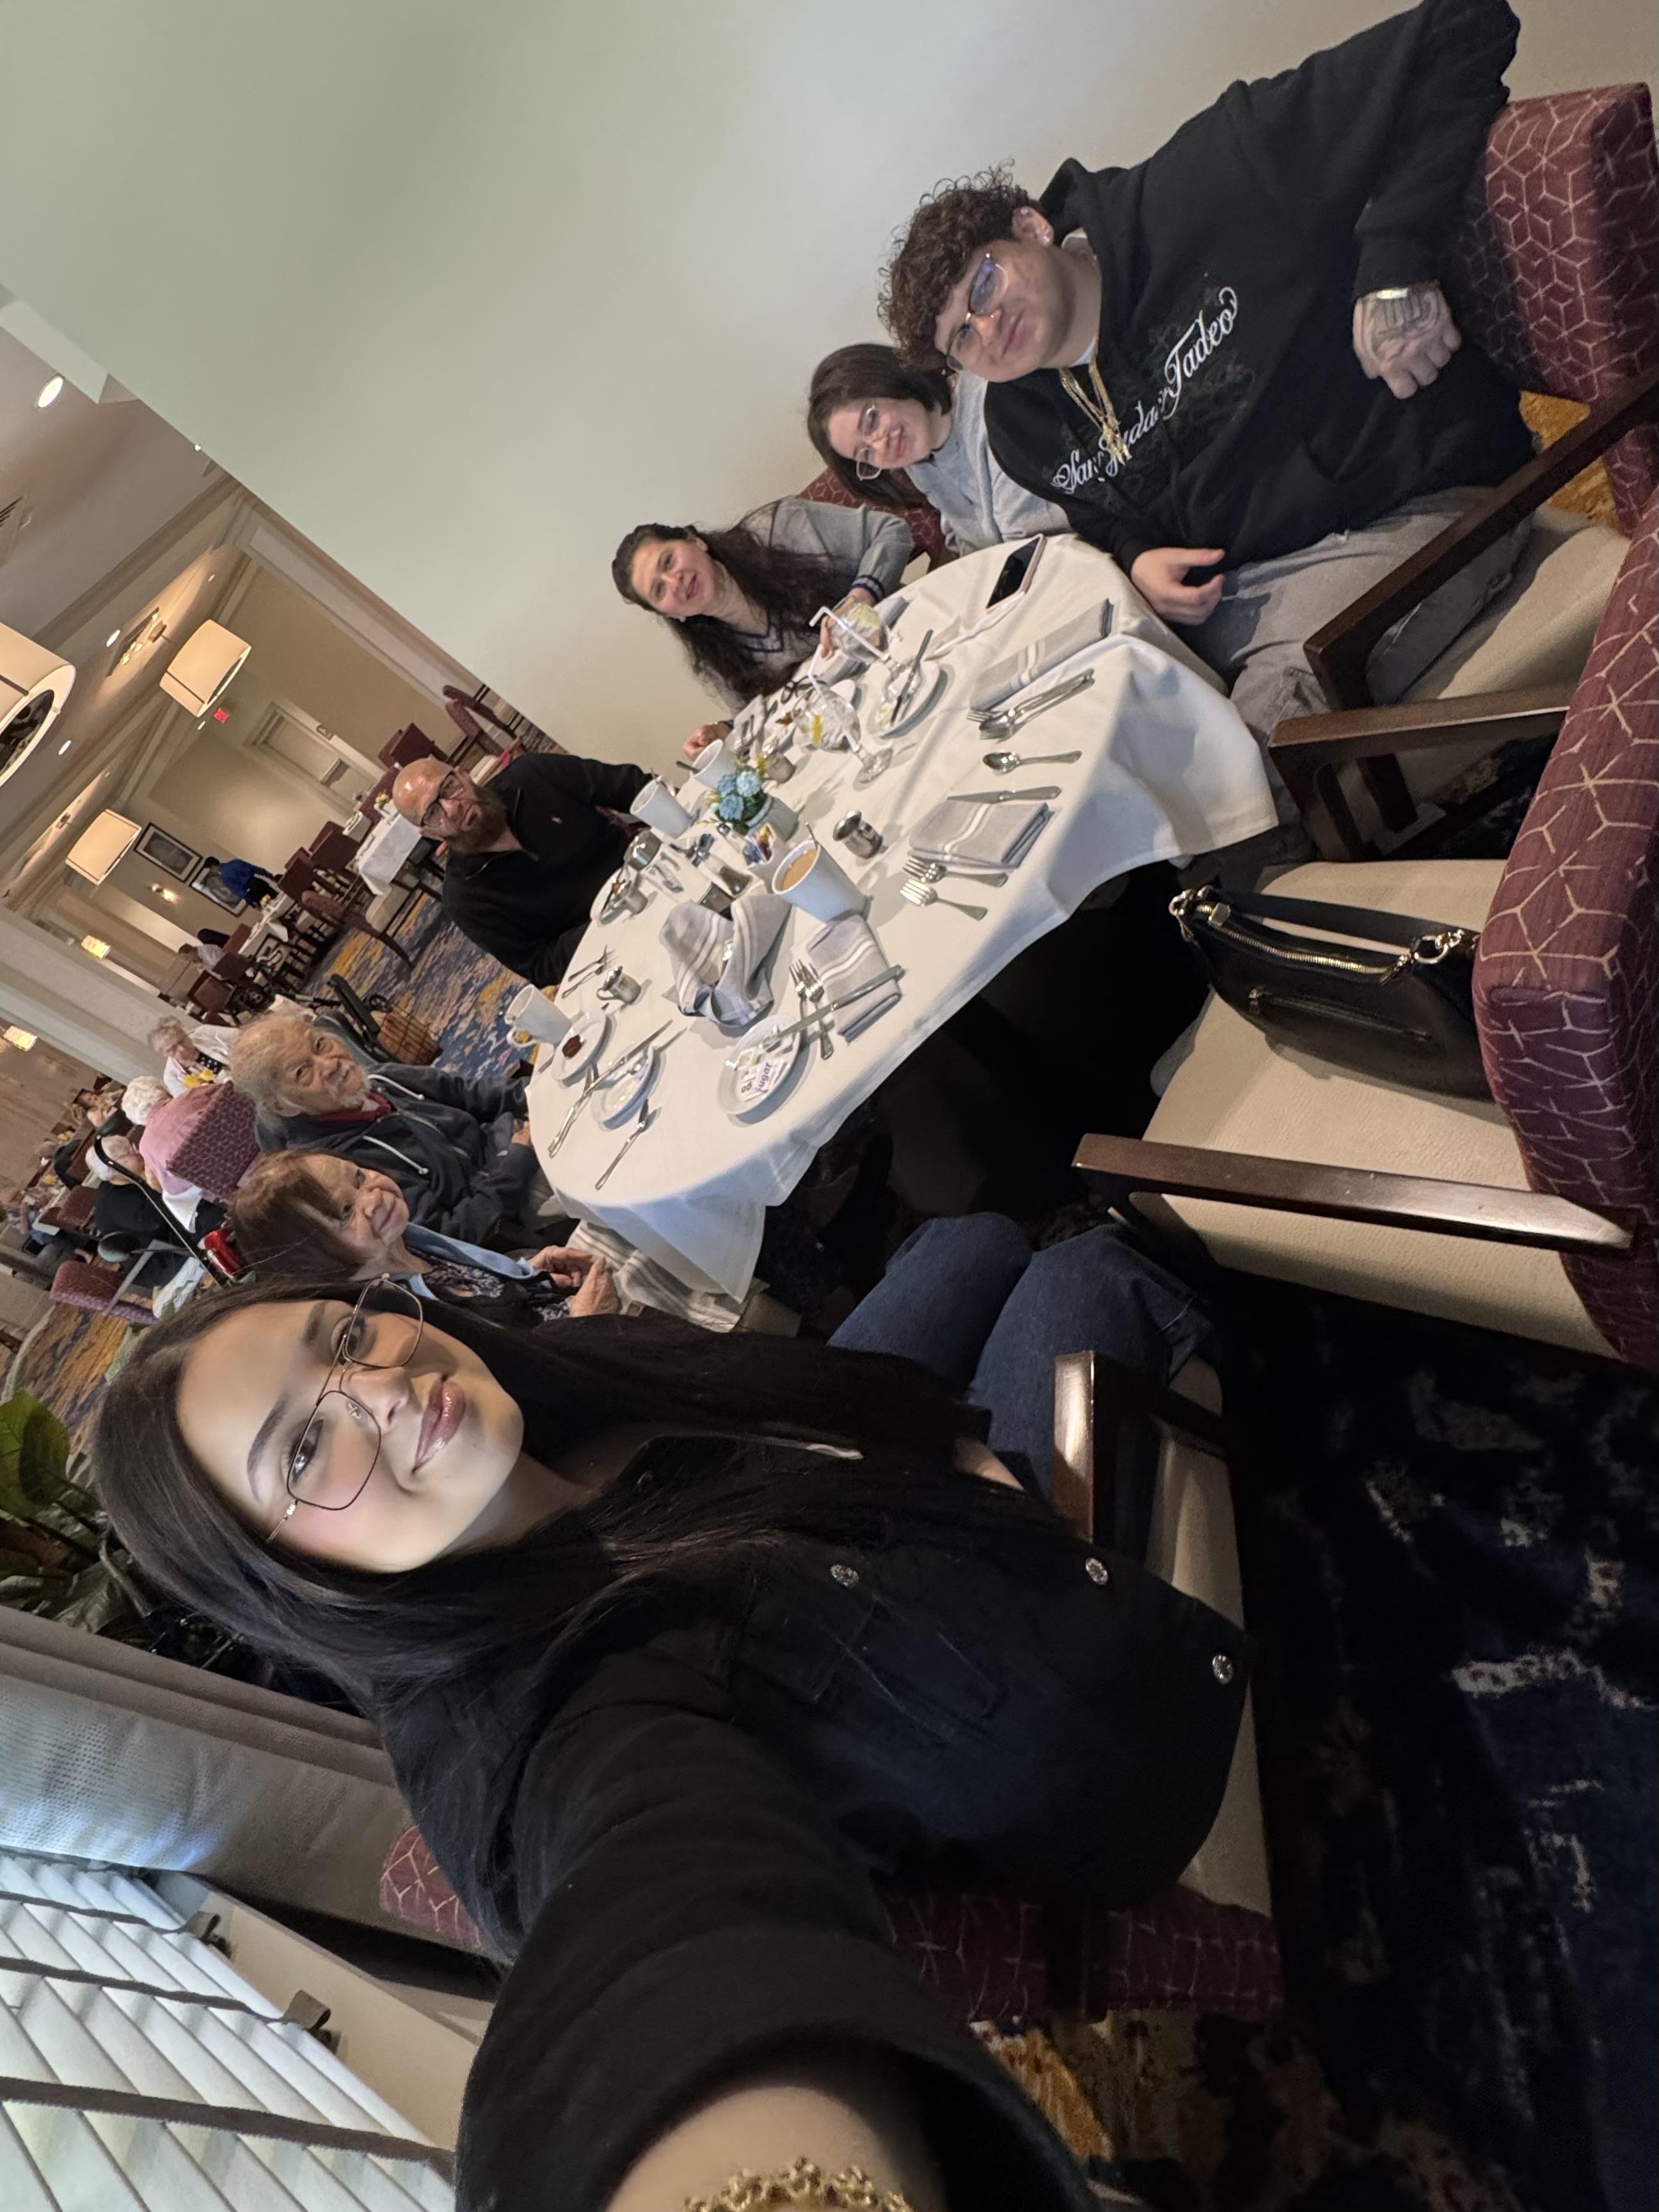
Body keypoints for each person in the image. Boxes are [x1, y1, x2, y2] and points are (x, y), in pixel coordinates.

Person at [92, 1214, 1234, 2211]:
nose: (382, 1388)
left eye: (344, 1337)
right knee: (1088, 1264)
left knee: (964, 1242)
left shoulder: (538, 1400)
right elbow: (662, 1914)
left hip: (848, 1485)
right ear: (285, 1576)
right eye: (303, 1445)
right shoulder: (571, 1719)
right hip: (1077, 1680)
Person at [878, 0, 1534, 826]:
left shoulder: (1216, 175)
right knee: (1080, 757)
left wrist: (1395, 260)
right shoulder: (1019, 424)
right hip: (1243, 590)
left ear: (1032, 227)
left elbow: (1464, 28)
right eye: (957, 341)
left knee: (1240, 781)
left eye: (982, 285)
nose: (984, 330)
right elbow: (1100, 510)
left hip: (1407, 500)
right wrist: (1137, 550)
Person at [612, 494, 913, 757]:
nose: (674, 582)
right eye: (659, 591)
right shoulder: (714, 652)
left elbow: (891, 532)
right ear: (671, 615)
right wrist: (723, 731)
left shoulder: (779, 527)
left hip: (903, 657)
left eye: (668, 562)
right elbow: (761, 710)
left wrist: (859, 598)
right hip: (860, 722)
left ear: (695, 541)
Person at [228, 1010, 549, 1249]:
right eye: (302, 1072)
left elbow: (474, 1093)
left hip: (515, 1142)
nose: (330, 1064)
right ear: (284, 1107)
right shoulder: (349, 1170)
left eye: (320, 1044)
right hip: (511, 1207)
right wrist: (517, 1161)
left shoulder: (381, 1080)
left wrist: (544, 1091)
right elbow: (453, 1236)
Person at [228, 1149, 621, 1321]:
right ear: (311, 1258)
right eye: (346, 1211)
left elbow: (478, 1292)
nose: (373, 1198)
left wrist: (522, 1273)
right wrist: (587, 1324)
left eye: (360, 1177)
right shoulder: (401, 1320)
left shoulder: (407, 1242)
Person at [392, 752, 648, 988]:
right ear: (430, 833)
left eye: (449, 787)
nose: (452, 807)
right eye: (433, 812)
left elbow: (633, 787)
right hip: (606, 954)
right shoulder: (464, 898)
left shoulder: (532, 775)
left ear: (464, 774)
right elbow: (538, 964)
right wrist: (610, 926)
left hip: (649, 875)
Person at [808, 342, 1068, 555]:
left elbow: (1031, 544)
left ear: (887, 378)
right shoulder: (919, 458)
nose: (880, 444)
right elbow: (964, 539)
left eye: (872, 420)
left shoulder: (995, 405)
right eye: (866, 454)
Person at [149, 1015, 240, 1097]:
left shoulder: (203, 1033)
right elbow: (191, 1101)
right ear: (164, 1054)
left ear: (185, 1033)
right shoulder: (171, 1077)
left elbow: (241, 1036)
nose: (182, 1049)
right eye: (173, 1049)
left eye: (182, 1041)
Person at [212, 856, 281, 909]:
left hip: (255, 892)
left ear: (213, 867)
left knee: (273, 908)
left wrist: (252, 903)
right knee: (280, 900)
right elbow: (253, 868)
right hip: (260, 882)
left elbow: (240, 892)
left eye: (211, 869)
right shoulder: (236, 862)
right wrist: (270, 876)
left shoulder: (225, 877)